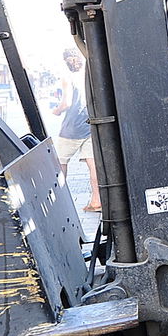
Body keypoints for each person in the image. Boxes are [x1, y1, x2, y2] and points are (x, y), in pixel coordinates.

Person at [52, 47, 101, 213]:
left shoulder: (68, 78)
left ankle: (58, 201)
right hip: (88, 125)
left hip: (71, 128)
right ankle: (96, 201)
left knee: (60, 162)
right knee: (92, 164)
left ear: (66, 61)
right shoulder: (88, 76)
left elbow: (66, 103)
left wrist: (57, 111)